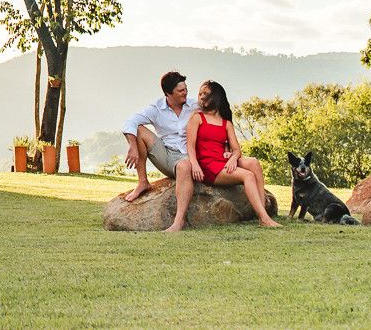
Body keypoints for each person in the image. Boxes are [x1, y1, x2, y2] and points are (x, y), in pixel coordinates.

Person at [167, 79, 281, 231]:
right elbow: (190, 145)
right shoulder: (197, 118)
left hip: (223, 161)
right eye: (200, 94)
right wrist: (194, 165)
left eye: (205, 94)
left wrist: (233, 158)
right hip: (208, 165)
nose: (201, 97)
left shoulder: (226, 123)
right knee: (248, 175)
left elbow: (236, 149)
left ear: (216, 96)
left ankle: (263, 215)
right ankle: (264, 219)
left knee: (253, 162)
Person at [119, 70, 196, 215]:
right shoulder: (156, 108)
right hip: (167, 155)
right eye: (181, 90)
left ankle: (179, 219)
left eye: (186, 89)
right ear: (168, 93)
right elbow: (131, 121)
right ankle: (143, 182)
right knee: (139, 130)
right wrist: (133, 147)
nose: (185, 92)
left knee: (185, 165)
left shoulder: (194, 105)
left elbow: (219, 116)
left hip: (190, 155)